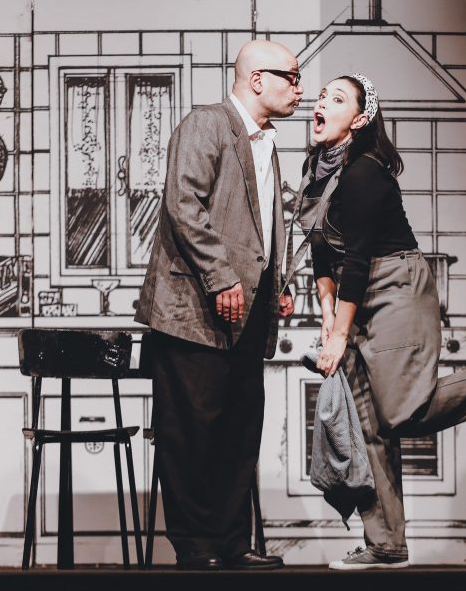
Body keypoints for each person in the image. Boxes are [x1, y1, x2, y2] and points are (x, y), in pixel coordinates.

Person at [287, 73, 466, 571]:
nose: (321, 103)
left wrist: (338, 335)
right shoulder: (315, 171)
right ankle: (385, 544)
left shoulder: (364, 172)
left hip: (394, 287)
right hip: (353, 292)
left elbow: (358, 257)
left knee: (401, 413)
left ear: (359, 120)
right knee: (368, 425)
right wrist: (327, 313)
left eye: (337, 99)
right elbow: (321, 249)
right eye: (321, 96)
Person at [135, 40, 299, 571]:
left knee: (239, 429)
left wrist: (278, 283)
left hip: (247, 311)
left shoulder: (266, 142)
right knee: (191, 432)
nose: (299, 89)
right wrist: (221, 276)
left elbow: (264, 224)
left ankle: (232, 542)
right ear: (257, 79)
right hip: (194, 309)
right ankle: (196, 546)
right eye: (291, 77)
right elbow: (183, 204)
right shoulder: (207, 123)